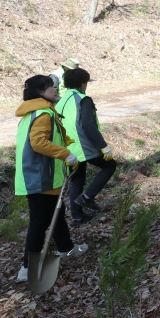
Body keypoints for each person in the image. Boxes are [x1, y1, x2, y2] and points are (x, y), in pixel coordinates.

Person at [15, 75, 89, 282]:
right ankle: (27, 268)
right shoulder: (42, 114)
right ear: (40, 92)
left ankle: (66, 248)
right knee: (39, 222)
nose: (55, 90)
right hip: (39, 177)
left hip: (43, 175)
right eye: (50, 88)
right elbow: (38, 142)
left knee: (56, 212)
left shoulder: (36, 112)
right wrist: (66, 154)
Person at [56, 68, 117, 227]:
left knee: (77, 180)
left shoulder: (61, 100)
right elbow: (89, 126)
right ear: (82, 82)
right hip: (82, 145)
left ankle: (77, 218)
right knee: (110, 165)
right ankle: (87, 197)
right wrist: (103, 146)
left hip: (66, 147)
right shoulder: (83, 99)